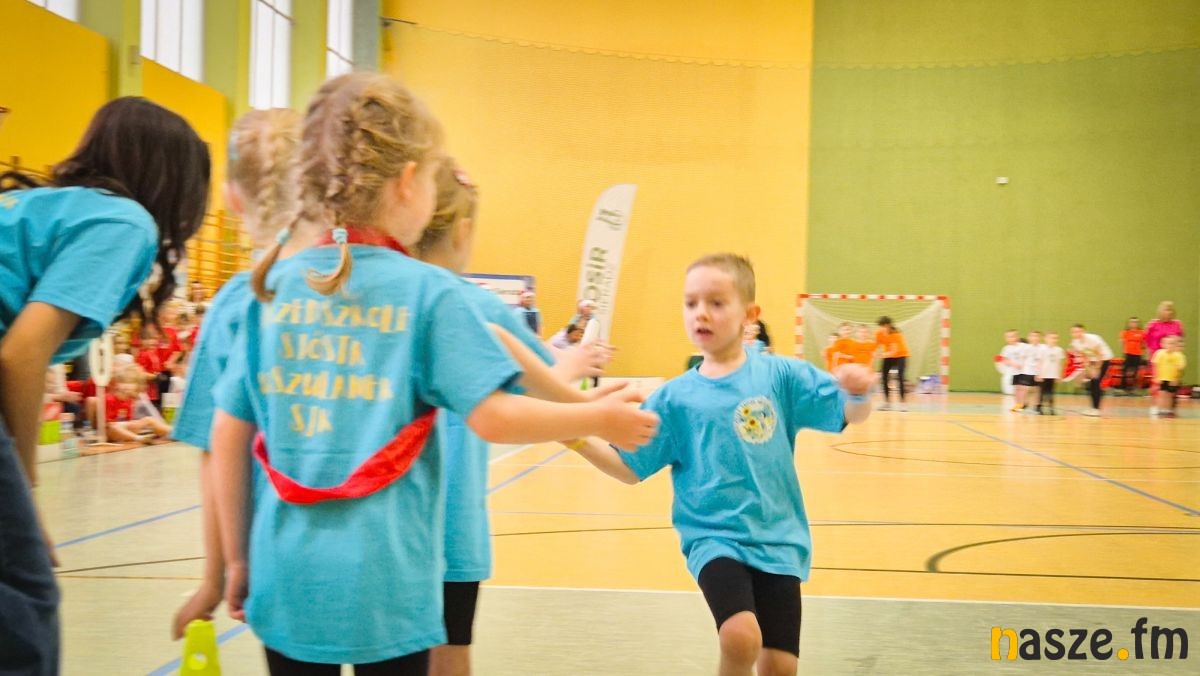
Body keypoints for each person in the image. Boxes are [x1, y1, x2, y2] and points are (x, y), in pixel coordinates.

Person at [208, 73, 658, 674]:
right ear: (408, 182)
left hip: (284, 577)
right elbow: (494, 417)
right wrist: (594, 416)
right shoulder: (429, 293)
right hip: (389, 587)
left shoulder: (268, 289)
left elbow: (228, 434)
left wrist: (238, 560)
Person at [568, 254, 872, 676]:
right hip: (714, 538)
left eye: (716, 302)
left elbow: (847, 414)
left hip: (780, 539)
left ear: (750, 314)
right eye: (691, 303)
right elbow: (628, 468)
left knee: (780, 666)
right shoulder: (674, 399)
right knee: (740, 636)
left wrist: (858, 394)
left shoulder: (780, 375)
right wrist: (573, 435)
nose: (701, 313)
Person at [0, 96, 209, 674]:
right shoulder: (123, 222)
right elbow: (20, 355)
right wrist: (28, 491)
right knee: (22, 602)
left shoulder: (43, 205)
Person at [414, 160, 620, 675]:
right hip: (452, 526)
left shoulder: (385, 299)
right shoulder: (476, 308)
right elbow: (543, 382)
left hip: (392, 526)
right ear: (463, 232)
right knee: (452, 654)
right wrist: (589, 397)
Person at [171, 108, 315, 639]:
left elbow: (217, 451)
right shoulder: (371, 286)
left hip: (275, 555)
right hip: (385, 558)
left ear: (232, 199)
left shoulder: (237, 304)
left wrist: (216, 577)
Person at [1145, 301, 1185, 416]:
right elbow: (1147, 340)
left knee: (1173, 383)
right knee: (1158, 383)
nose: (1168, 312)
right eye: (1166, 309)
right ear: (1160, 311)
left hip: (1172, 359)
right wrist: (1149, 355)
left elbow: (1180, 340)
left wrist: (1178, 354)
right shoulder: (1153, 324)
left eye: (1170, 310)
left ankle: (1170, 407)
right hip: (1158, 357)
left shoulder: (1177, 324)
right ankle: (1156, 405)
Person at [1069, 324, 1114, 416]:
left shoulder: (1092, 339)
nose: (1077, 334)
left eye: (1079, 331)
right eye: (1074, 332)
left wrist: (1097, 368)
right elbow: (1084, 355)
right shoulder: (1075, 343)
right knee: (1091, 384)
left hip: (1104, 359)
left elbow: (1099, 354)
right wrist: (1087, 368)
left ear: (1083, 331)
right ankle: (1093, 408)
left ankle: (1096, 409)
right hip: (1092, 360)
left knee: (1096, 383)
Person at [875, 317, 910, 412]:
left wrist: (881, 355)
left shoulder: (896, 334)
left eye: (883, 326)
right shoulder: (879, 333)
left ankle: (903, 404)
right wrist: (870, 352)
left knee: (900, 377)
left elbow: (894, 351)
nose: (881, 328)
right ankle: (887, 403)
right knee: (884, 377)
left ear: (888, 325)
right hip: (888, 356)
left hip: (901, 356)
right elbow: (875, 345)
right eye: (880, 326)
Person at [1151, 336, 1186, 418]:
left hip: (1172, 379)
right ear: (1163, 344)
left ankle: (1168, 409)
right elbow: (1155, 365)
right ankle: (1160, 409)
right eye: (1168, 343)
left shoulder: (1178, 355)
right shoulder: (1159, 353)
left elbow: (1179, 368)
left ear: (1175, 345)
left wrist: (1176, 379)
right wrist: (1156, 377)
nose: (1170, 346)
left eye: (1172, 344)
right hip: (1162, 378)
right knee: (1161, 394)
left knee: (1169, 395)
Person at [1036, 332, 1065, 415]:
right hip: (1044, 374)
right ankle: (1039, 407)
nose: (1053, 340)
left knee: (1051, 392)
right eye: (1051, 338)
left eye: (1055, 338)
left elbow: (1060, 363)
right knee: (1042, 392)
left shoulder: (1059, 350)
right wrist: (1039, 374)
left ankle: (1051, 408)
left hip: (1054, 375)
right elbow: (1039, 362)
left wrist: (1059, 375)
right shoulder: (1042, 349)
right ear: (1046, 339)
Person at [1118, 317, 1145, 394]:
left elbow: (1144, 344)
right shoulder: (1125, 332)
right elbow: (1121, 342)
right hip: (1128, 354)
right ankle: (1123, 386)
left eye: (1136, 322)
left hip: (1137, 355)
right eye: (1132, 322)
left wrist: (1142, 349)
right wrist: (1125, 351)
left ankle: (1133, 387)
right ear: (1129, 323)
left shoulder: (1142, 332)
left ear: (1138, 324)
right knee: (1125, 370)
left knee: (1135, 372)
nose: (1134, 323)